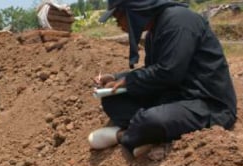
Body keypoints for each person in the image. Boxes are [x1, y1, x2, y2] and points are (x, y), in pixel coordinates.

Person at [88, 0, 237, 156]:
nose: (118, 24)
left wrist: (129, 80)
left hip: (207, 105)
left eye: (119, 17)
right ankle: (147, 132)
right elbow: (155, 70)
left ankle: (123, 136)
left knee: (152, 120)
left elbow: (169, 72)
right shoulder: (155, 29)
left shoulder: (179, 21)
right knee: (113, 100)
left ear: (134, 10)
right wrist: (116, 77)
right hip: (175, 95)